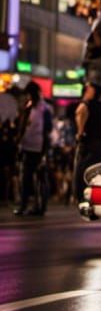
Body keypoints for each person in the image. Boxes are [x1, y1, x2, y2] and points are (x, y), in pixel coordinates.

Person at [14, 82, 52, 217]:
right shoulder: (28, 107)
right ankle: (25, 205)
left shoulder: (44, 108)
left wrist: (45, 150)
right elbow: (23, 126)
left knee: (40, 178)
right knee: (26, 178)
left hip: (39, 148)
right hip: (27, 147)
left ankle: (40, 206)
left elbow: (48, 129)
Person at [73, 82, 101, 204]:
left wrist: (80, 133)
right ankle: (96, 196)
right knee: (97, 172)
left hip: (89, 144)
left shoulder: (87, 105)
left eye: (88, 89)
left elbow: (79, 114)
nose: (86, 91)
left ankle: (81, 196)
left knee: (83, 171)